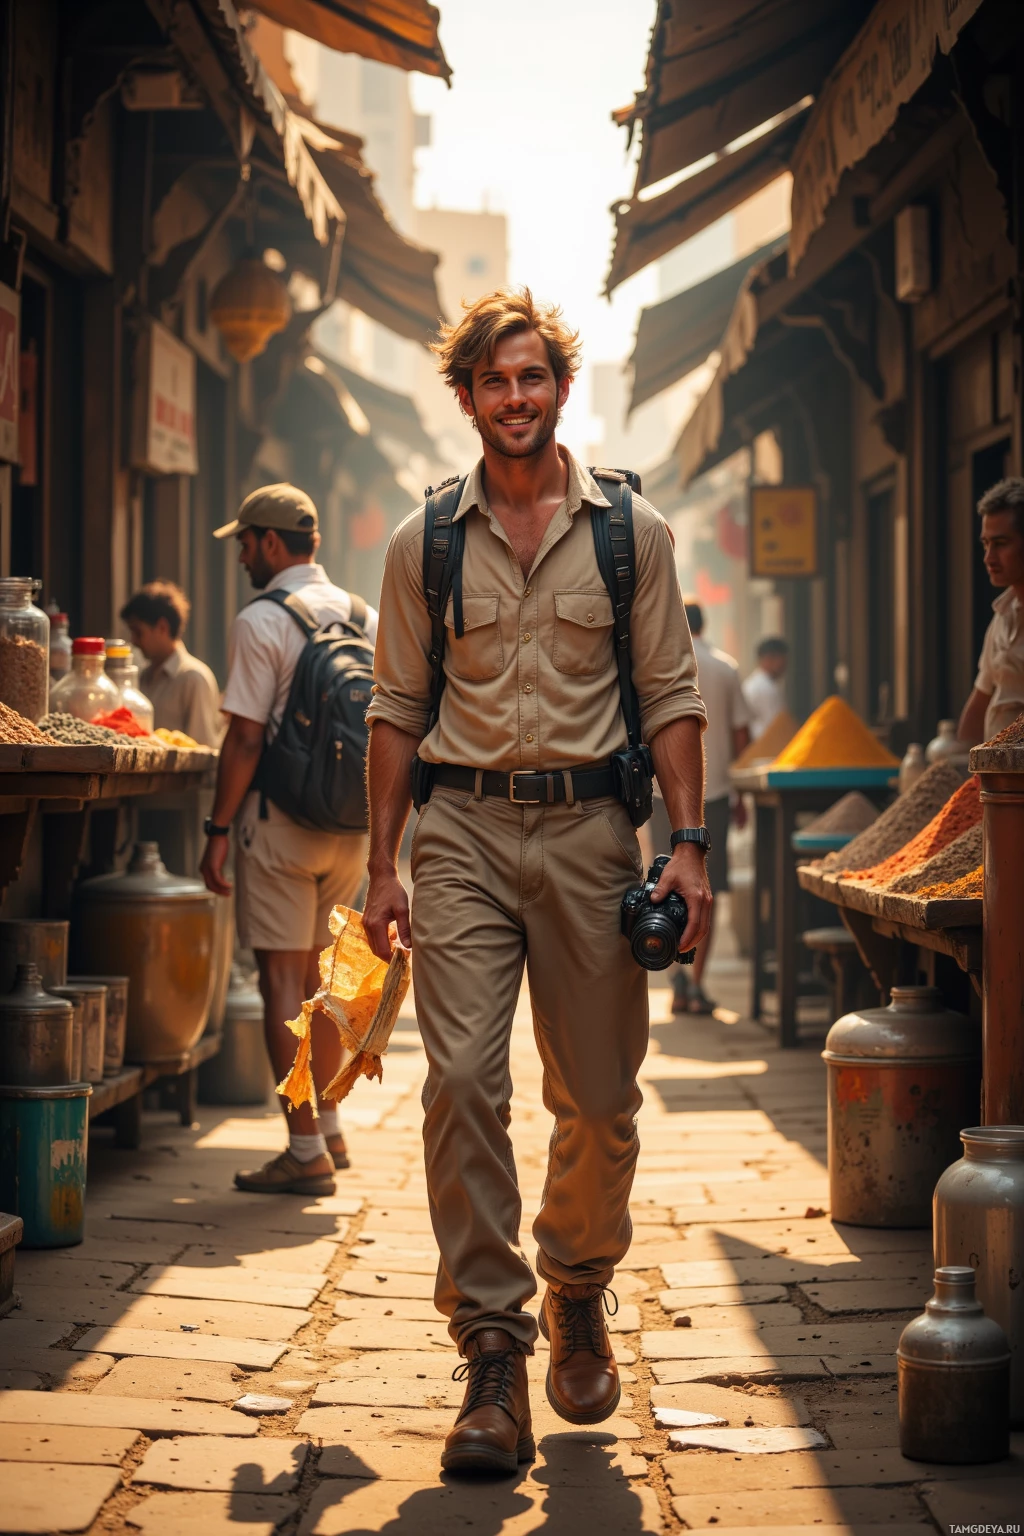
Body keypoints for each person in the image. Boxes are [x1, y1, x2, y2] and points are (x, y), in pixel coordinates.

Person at [362, 288, 710, 1476]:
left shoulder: (629, 535)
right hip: (457, 834)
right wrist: (380, 866)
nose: (515, 399)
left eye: (532, 378)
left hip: (591, 840)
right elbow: (395, 710)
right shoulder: (423, 544)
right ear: (463, 398)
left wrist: (689, 842)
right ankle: (495, 1350)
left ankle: (576, 1282)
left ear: (560, 389)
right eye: (493, 382)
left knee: (601, 1098)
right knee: (459, 1080)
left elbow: (669, 694)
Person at [198, 484, 378, 1196]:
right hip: (349, 828)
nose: (242, 555)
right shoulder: (362, 614)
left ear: (272, 543)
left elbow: (244, 737)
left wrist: (217, 831)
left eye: (245, 542)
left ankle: (304, 1152)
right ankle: (328, 1128)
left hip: (279, 825)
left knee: (281, 983)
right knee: (318, 985)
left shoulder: (260, 619)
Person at [674, 600, 750, 1015]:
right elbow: (741, 738)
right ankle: (695, 978)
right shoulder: (725, 667)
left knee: (660, 884)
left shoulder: (656, 661)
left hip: (659, 794)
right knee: (705, 889)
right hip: (713, 795)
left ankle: (675, 974)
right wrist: (741, 797)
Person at [958, 477, 1024, 744]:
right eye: (986, 544)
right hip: (997, 780)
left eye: (1000, 543)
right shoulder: (1002, 616)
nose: (988, 558)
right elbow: (980, 700)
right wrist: (961, 764)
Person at [120, 581, 222, 747]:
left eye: (138, 632)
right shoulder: (143, 676)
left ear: (162, 627)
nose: (134, 641)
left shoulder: (194, 678)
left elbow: (203, 752)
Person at [742, 635, 789, 739]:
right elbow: (776, 725)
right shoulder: (764, 687)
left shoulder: (759, 683)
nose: (785, 664)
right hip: (765, 744)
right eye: (782, 659)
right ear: (769, 658)